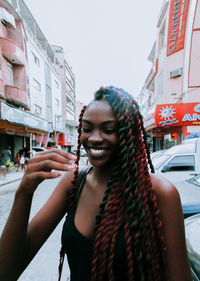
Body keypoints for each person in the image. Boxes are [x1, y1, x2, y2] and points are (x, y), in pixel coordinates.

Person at [0, 86, 192, 281]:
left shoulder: (159, 192)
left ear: (130, 135)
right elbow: (7, 271)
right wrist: (24, 192)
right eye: (87, 128)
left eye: (109, 129)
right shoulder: (73, 183)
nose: (94, 138)